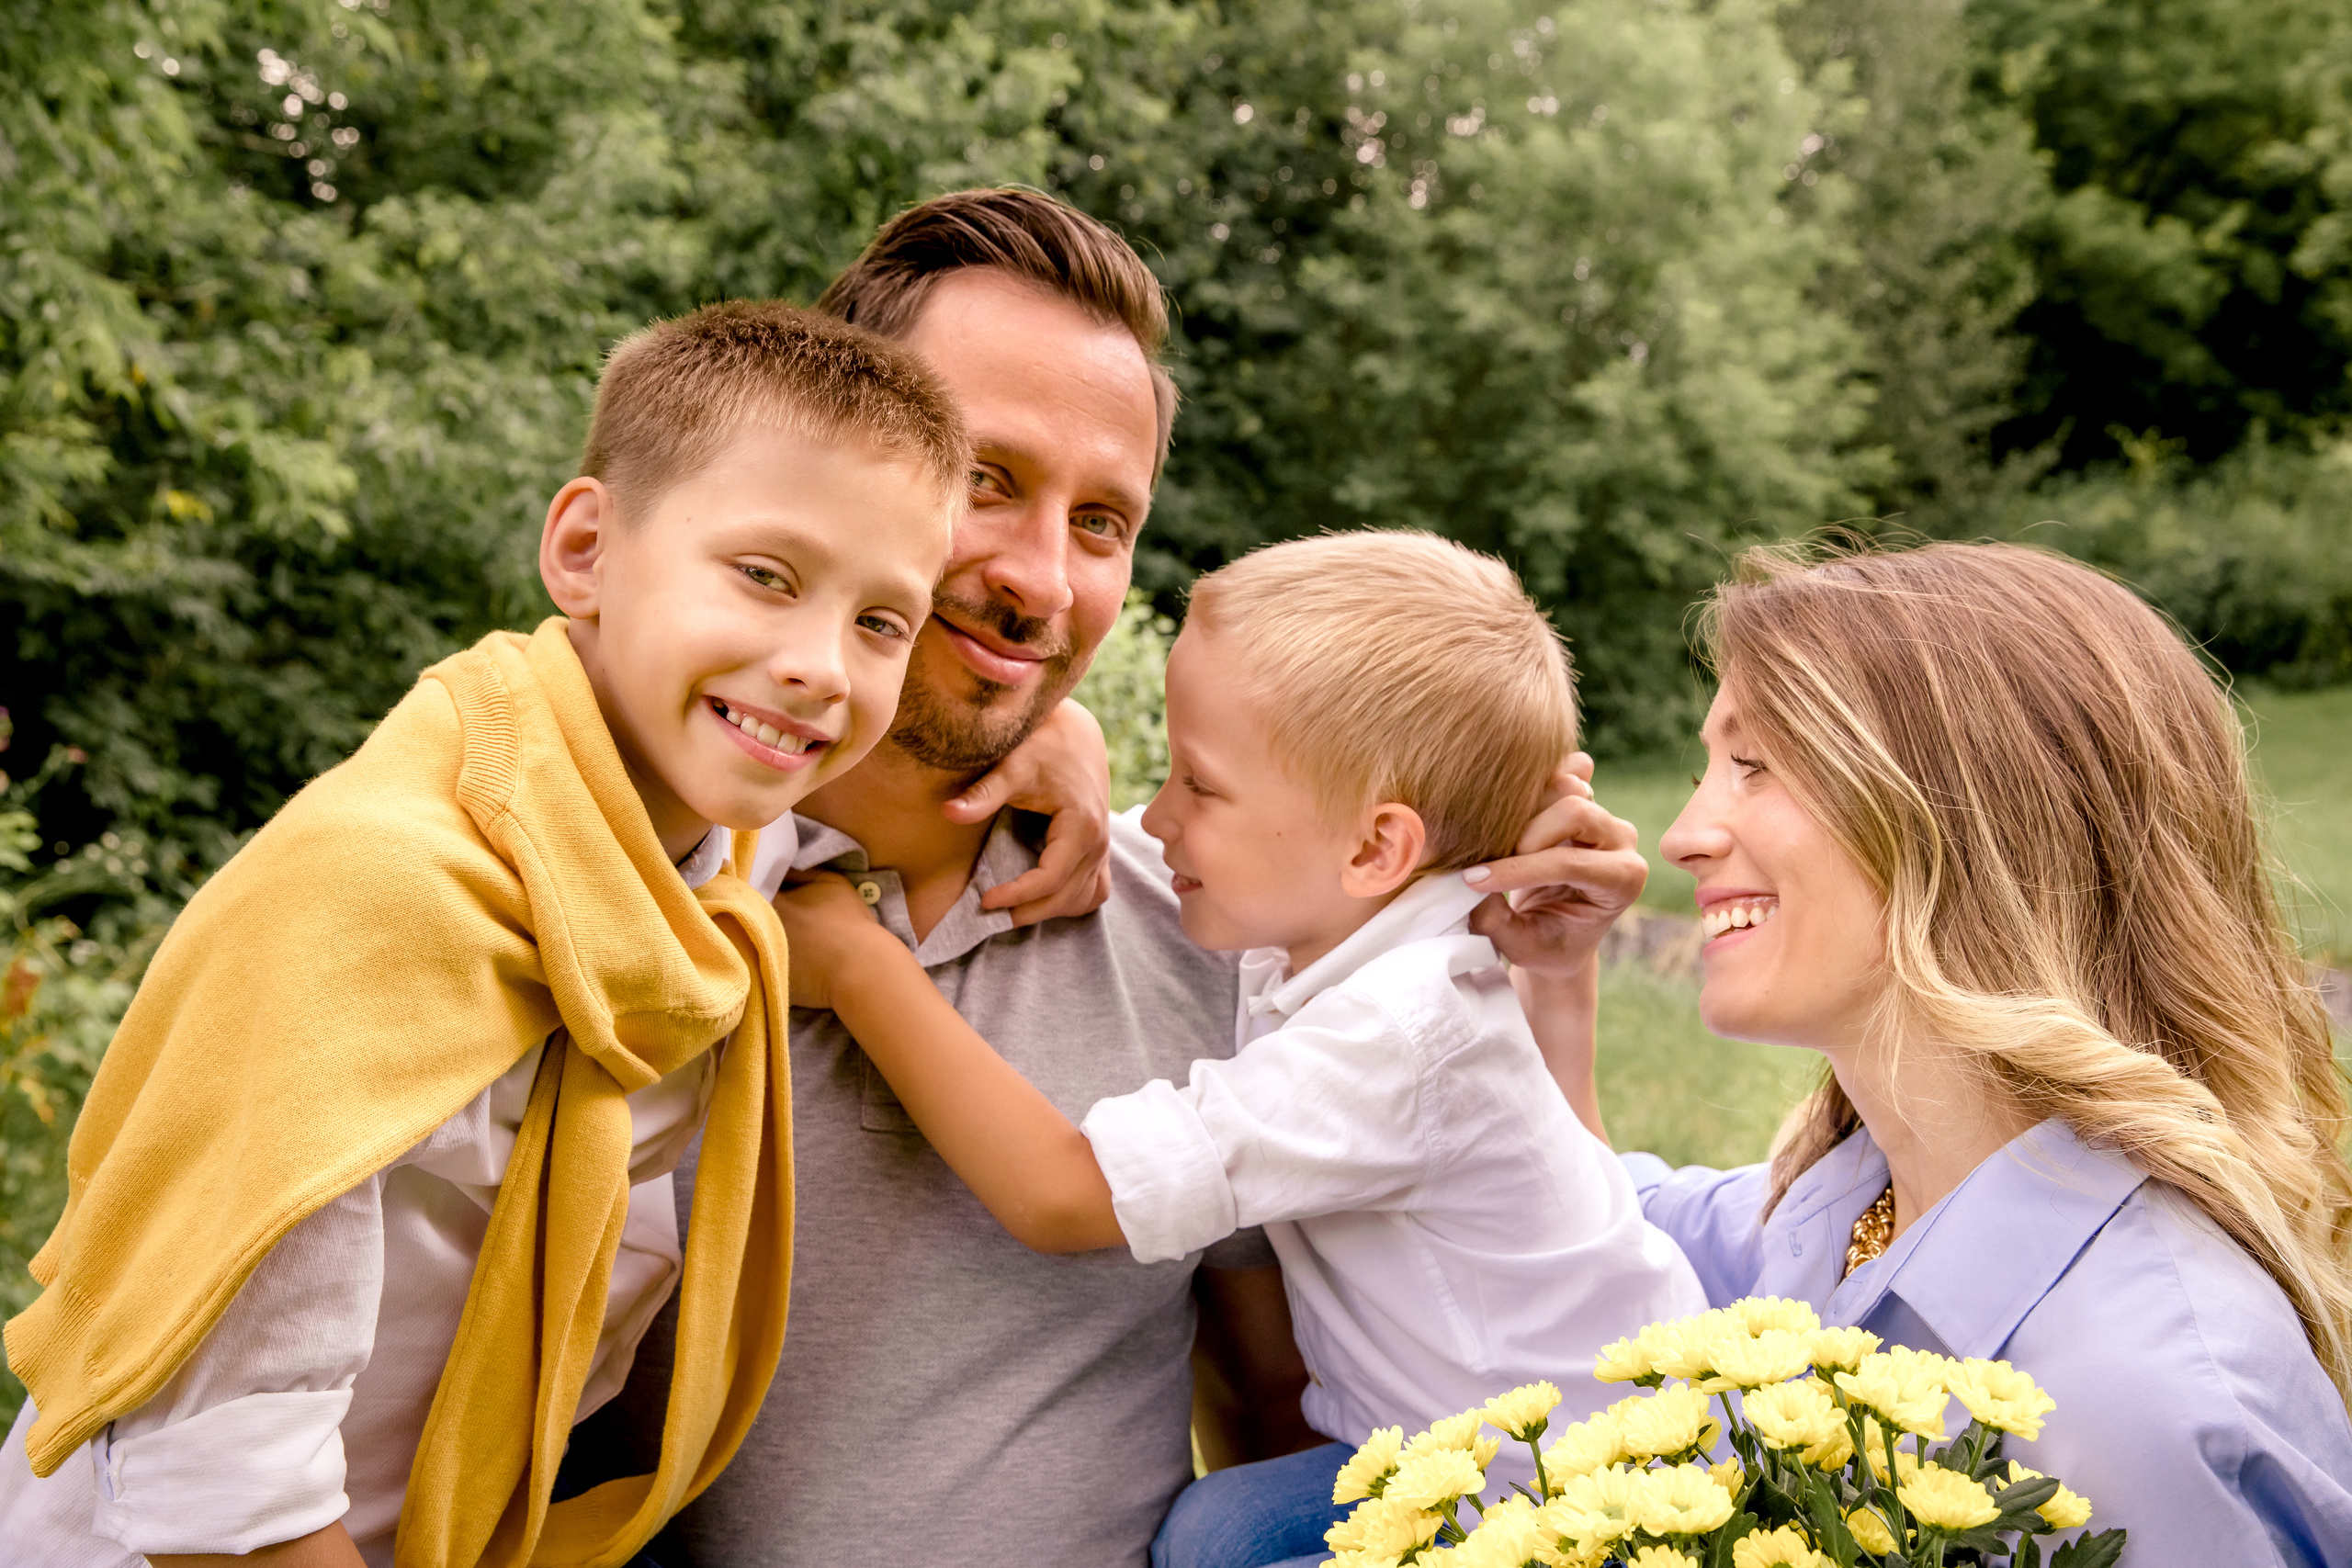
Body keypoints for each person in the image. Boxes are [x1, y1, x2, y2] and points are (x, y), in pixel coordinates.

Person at [582, 189, 1650, 1568]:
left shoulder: (1224, 938)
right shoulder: (634, 897)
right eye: (985, 477)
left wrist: (1552, 973)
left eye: (1099, 520)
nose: (1041, 579)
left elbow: (1297, 1401)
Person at [0, 302, 975, 1568]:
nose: (823, 667)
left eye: (881, 622)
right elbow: (224, 1494)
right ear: (584, 550)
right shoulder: (375, 911)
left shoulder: (698, 866)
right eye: (765, 575)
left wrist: (1046, 746)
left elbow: (846, 805)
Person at [776, 531, 1708, 1568]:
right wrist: (1058, 729)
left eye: (1199, 784)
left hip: (1579, 1504)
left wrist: (863, 969)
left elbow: (1065, 1196)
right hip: (1466, 1448)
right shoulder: (1333, 930)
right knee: (1217, 1531)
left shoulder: (1395, 1036)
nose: (1159, 815)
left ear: (1375, 847)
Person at [1595, 540, 2352, 1562]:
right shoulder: (1855, 1203)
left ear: (1967, 820)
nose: (1681, 835)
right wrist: (1551, 976)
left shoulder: (2145, 1401)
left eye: (1755, 765)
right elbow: (1595, 1233)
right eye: (1706, 771)